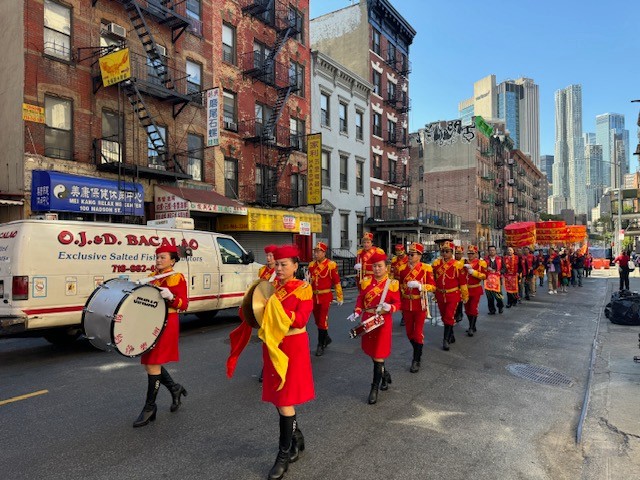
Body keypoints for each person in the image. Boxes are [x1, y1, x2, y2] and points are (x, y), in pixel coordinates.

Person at [261, 245, 315, 479]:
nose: (279, 268)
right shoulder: (270, 288)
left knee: (284, 399)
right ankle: (297, 438)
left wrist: (276, 312)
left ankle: (283, 455)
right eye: (277, 263)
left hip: (293, 347)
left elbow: (301, 319)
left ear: (295, 266)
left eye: (284, 264)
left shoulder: (303, 289)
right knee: (279, 398)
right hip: (273, 346)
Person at [134, 245, 189, 428]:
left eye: (163, 257)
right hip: (151, 321)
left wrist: (171, 297)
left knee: (152, 363)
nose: (158, 260)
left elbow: (184, 304)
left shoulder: (176, 277)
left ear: (172, 260)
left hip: (167, 322)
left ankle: (150, 407)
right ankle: (175, 388)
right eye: (157, 257)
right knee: (151, 361)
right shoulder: (152, 277)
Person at [350, 251, 401, 404]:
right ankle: (385, 375)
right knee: (373, 353)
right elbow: (361, 299)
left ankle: (374, 389)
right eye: (375, 266)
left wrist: (390, 307)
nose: (377, 269)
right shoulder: (366, 281)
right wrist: (357, 310)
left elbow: (398, 303)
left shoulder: (392, 284)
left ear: (386, 268)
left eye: (380, 266)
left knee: (379, 354)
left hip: (383, 322)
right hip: (368, 321)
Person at [397, 242, 435, 373]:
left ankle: (416, 359)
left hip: (420, 304)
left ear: (419, 255)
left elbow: (432, 286)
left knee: (418, 333)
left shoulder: (426, 269)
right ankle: (418, 349)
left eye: (412, 254)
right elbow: (399, 285)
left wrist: (421, 286)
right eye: (409, 253)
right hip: (407, 304)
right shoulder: (402, 269)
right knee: (409, 333)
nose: (409, 256)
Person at [307, 242, 343, 356]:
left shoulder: (330, 265)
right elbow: (309, 281)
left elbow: (336, 281)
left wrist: (339, 296)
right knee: (317, 321)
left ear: (324, 252)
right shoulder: (311, 265)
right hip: (313, 296)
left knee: (322, 321)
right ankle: (326, 338)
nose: (316, 254)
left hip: (325, 296)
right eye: (315, 251)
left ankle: (320, 344)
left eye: (318, 251)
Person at [432, 241, 469, 351]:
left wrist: (465, 295)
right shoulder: (436, 264)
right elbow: (433, 278)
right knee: (444, 317)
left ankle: (445, 340)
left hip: (453, 294)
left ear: (452, 252)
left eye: (447, 251)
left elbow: (462, 282)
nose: (445, 253)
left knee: (448, 316)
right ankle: (451, 335)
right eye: (443, 251)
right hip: (440, 294)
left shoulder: (458, 265)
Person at [463, 245, 486, 336]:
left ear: (476, 254)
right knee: (467, 309)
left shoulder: (481, 263)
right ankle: (471, 325)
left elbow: (485, 276)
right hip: (465, 289)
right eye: (469, 253)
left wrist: (474, 272)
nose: (470, 255)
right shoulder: (463, 262)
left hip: (475, 288)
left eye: (472, 253)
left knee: (473, 308)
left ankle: (471, 327)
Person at [390, 243, 409, 326]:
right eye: (397, 251)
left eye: (400, 251)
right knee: (399, 300)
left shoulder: (408, 259)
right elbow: (391, 271)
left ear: (403, 250)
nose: (398, 252)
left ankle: (406, 316)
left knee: (406, 300)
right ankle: (403, 316)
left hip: (406, 282)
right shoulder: (394, 260)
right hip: (396, 282)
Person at [484, 245, 505, 315]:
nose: (491, 251)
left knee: (498, 295)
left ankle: (500, 306)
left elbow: (504, 269)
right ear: (488, 251)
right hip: (488, 280)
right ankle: (492, 310)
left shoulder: (500, 259)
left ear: (495, 251)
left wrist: (500, 272)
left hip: (497, 280)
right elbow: (481, 268)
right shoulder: (485, 260)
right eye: (490, 250)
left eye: (493, 250)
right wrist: (486, 269)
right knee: (489, 296)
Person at [453, 245, 467, 322]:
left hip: (462, 283)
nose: (458, 255)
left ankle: (459, 314)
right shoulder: (452, 261)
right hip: (454, 282)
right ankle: (455, 314)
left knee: (460, 300)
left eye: (459, 253)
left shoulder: (465, 261)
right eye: (456, 253)